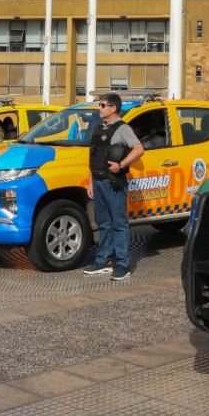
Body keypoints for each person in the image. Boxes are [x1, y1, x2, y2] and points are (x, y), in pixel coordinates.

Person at [83, 93, 144, 281]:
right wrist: (91, 181)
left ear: (113, 108)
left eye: (102, 105)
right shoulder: (99, 128)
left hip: (113, 182)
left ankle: (123, 265)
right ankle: (103, 261)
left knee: (118, 223)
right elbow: (93, 158)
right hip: (98, 181)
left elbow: (139, 149)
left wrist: (121, 165)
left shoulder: (122, 128)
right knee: (103, 223)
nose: (99, 108)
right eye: (99, 104)